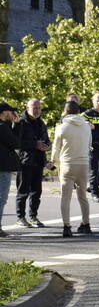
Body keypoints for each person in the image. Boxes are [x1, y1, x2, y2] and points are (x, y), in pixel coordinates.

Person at [51, 101, 93, 237]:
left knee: (66, 197)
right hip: (83, 164)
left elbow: (56, 148)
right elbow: (89, 144)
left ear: (66, 111)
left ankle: (67, 226)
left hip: (67, 164)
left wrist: (54, 162)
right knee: (83, 196)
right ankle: (86, 223)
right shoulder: (86, 126)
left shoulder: (61, 127)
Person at [15, 98, 50, 228]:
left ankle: (33, 216)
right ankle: (20, 217)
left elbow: (46, 140)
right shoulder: (21, 122)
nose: (37, 110)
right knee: (23, 190)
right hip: (25, 161)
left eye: (39, 108)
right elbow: (17, 142)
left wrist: (46, 145)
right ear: (27, 107)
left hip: (38, 161)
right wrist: (35, 144)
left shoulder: (41, 123)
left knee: (36, 191)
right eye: (34, 107)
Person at [0, 102, 20, 237]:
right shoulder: (2, 127)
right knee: (1, 198)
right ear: (3, 112)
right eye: (10, 111)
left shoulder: (4, 126)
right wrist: (17, 125)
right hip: (2, 167)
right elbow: (15, 142)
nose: (12, 114)